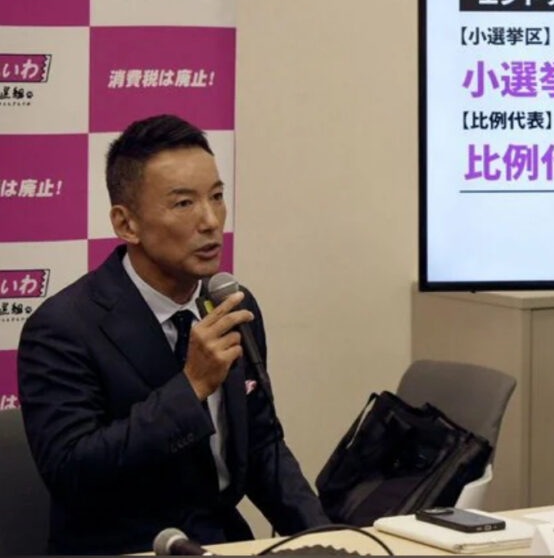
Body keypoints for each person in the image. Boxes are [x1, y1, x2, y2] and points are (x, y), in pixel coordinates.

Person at [17, 115, 329, 554]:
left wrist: (324, 537)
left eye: (217, 196)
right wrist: (191, 385)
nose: (211, 220)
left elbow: (263, 445)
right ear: (127, 224)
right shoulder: (63, 328)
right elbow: (73, 472)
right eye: (184, 203)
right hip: (127, 547)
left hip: (223, 543)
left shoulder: (231, 304)